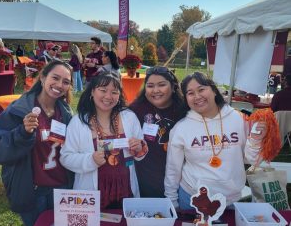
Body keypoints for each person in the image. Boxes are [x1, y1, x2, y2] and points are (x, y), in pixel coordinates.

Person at [0, 60, 74, 226]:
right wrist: (22, 133)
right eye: (55, 78)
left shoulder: (66, 113)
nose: (59, 85)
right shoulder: (19, 109)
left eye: (65, 82)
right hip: (32, 190)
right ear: (43, 78)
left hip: (61, 188)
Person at [164, 72, 266, 210]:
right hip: (192, 199)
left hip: (230, 199)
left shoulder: (239, 119)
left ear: (213, 90)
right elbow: (172, 169)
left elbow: (253, 160)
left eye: (201, 89)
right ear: (186, 98)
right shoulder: (181, 128)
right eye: (190, 93)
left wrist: (256, 140)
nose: (197, 96)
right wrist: (172, 201)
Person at [60, 72, 147, 209]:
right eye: (103, 90)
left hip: (126, 190)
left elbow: (141, 150)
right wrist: (91, 160)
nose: (108, 96)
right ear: (92, 92)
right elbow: (66, 157)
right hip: (92, 194)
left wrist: (139, 148)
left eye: (114, 92)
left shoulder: (129, 117)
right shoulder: (79, 122)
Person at [130, 66, 185, 197]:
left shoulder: (184, 111)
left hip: (179, 182)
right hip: (145, 181)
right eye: (150, 86)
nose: (155, 90)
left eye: (161, 85)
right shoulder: (135, 110)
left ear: (173, 87)